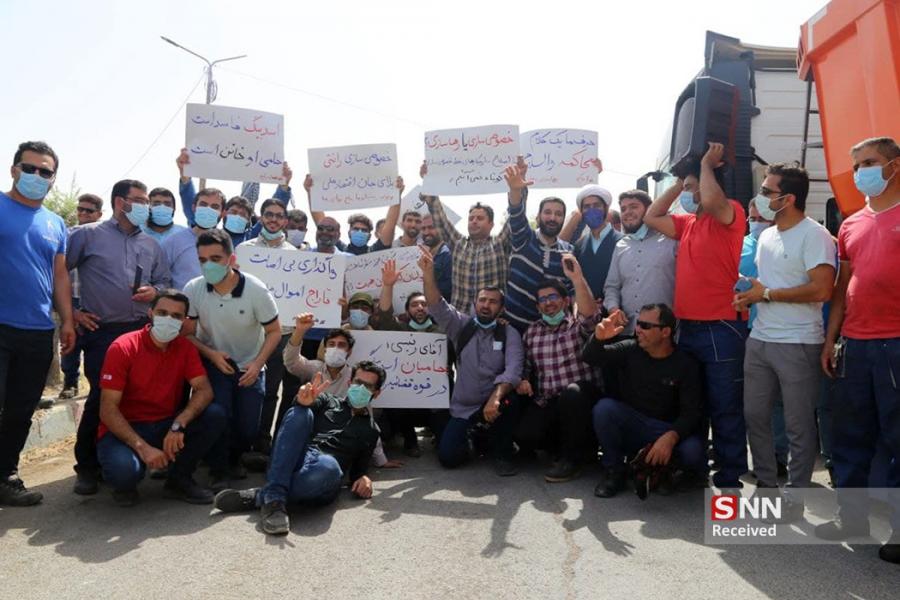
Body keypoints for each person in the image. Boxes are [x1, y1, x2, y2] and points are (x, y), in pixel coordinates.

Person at [733, 163, 836, 522]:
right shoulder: (766, 236)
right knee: (755, 416)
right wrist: (749, 294)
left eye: (767, 191)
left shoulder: (815, 236)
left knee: (797, 425)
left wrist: (766, 294)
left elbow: (822, 289)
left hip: (799, 343)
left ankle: (795, 496)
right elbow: (767, 285)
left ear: (788, 198)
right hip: (760, 340)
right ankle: (766, 486)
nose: (760, 196)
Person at [643, 142, 748, 490]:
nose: (688, 194)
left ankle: (730, 476)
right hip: (688, 328)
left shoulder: (730, 213)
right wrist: (678, 181)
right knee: (693, 402)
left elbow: (715, 202)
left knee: (725, 405)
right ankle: (696, 468)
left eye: (692, 187)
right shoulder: (687, 223)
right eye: (686, 188)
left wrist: (704, 166)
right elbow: (651, 216)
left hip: (721, 328)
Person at [816, 136, 900, 564]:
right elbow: (841, 289)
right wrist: (831, 339)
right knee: (850, 436)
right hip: (855, 344)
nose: (861, 172)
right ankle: (852, 519)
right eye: (856, 165)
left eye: (870, 162)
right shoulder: (850, 224)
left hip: (895, 345)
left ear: (895, 166)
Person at [67, 178, 171, 496]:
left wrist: (155, 292)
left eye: (147, 201)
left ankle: (124, 456)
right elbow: (56, 274)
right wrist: (73, 313)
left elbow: (165, 283)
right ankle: (87, 467)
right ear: (118, 202)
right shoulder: (86, 235)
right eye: (139, 200)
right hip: (102, 333)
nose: (145, 207)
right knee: (102, 397)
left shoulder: (151, 244)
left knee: (134, 397)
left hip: (141, 332)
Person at [213, 363, 385, 536]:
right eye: (358, 382)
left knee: (329, 466)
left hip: (322, 475)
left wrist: (364, 478)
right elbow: (296, 418)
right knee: (300, 412)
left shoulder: (371, 430)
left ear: (376, 393)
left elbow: (358, 472)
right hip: (297, 456)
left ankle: (264, 494)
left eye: (368, 386)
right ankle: (274, 499)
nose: (361, 388)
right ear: (349, 383)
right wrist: (302, 401)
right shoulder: (328, 401)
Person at [96, 290, 226, 506]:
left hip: (165, 424)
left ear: (184, 321)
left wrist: (179, 423)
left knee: (215, 414)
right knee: (124, 473)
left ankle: (178, 480)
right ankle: (124, 481)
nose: (168, 319)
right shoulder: (123, 347)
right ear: (150, 313)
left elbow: (204, 390)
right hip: (126, 428)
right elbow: (107, 409)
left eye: (176, 316)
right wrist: (143, 447)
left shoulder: (185, 348)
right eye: (162, 313)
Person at [0, 141, 74, 506]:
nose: (37, 175)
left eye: (45, 171)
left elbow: (60, 276)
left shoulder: (55, 223)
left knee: (20, 410)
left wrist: (68, 321)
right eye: (30, 168)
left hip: (37, 331)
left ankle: (6, 476)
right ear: (14, 170)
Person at [181, 230, 281, 489]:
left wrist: (257, 364)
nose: (208, 265)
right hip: (214, 364)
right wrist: (211, 354)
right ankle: (219, 469)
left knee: (248, 427)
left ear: (231, 259)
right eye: (202, 260)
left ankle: (235, 459)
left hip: (250, 366)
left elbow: (274, 331)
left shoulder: (256, 290)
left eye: (215, 258)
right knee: (219, 416)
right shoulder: (193, 289)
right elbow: (187, 335)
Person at [419, 246, 524, 476]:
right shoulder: (462, 326)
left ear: (501, 308)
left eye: (493, 302)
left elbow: (514, 370)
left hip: (494, 404)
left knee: (512, 401)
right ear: (475, 303)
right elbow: (437, 306)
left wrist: (496, 397)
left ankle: (503, 453)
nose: (486, 305)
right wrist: (428, 274)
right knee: (448, 458)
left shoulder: (509, 333)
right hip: (464, 408)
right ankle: (474, 440)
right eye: (482, 300)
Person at [587, 306, 706, 498]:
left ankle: (661, 470)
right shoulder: (630, 348)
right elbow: (590, 357)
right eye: (638, 324)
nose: (638, 330)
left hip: (666, 429)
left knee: (693, 451)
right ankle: (615, 471)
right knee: (605, 409)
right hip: (634, 425)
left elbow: (691, 412)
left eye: (645, 325)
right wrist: (598, 338)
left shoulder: (685, 364)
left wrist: (670, 437)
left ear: (665, 332)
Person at [515, 254, 602, 482]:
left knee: (572, 395)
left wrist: (577, 279)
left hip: (581, 399)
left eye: (553, 297)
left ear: (565, 301)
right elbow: (524, 367)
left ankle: (572, 460)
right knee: (526, 436)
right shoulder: (532, 332)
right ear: (538, 306)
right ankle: (570, 447)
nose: (548, 302)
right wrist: (523, 380)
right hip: (550, 400)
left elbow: (591, 316)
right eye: (542, 300)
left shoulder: (577, 325)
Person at [237, 199, 300, 461]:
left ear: (285, 220)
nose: (273, 219)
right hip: (250, 331)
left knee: (271, 390)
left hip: (282, 332)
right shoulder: (244, 250)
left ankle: (263, 439)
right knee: (246, 387)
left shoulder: (296, 254)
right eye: (269, 214)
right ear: (261, 217)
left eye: (278, 215)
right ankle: (241, 441)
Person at [374, 259, 448, 457]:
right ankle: (410, 440)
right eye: (415, 305)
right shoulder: (400, 329)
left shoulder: (442, 332)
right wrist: (388, 285)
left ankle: (439, 435)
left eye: (424, 304)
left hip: (436, 399)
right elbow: (385, 315)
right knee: (396, 401)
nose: (420, 308)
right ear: (407, 311)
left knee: (446, 445)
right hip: (407, 400)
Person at [420, 161, 512, 314]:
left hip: (493, 320)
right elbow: (440, 218)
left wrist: (516, 188)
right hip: (460, 320)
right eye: (471, 218)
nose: (474, 221)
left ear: (491, 224)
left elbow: (515, 216)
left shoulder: (500, 243)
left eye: (480, 218)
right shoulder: (458, 244)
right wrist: (429, 181)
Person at [503, 158, 574, 333]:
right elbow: (516, 212)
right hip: (511, 328)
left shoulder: (568, 252)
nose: (552, 218)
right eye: (547, 212)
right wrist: (515, 190)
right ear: (538, 216)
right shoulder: (524, 238)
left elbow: (570, 291)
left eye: (558, 214)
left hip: (546, 335)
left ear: (563, 219)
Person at [176, 148, 293, 242]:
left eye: (243, 215)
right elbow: (192, 209)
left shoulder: (251, 238)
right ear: (224, 213)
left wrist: (283, 186)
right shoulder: (209, 236)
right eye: (233, 212)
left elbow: (274, 211)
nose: (237, 217)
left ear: (249, 220)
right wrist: (185, 177)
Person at [603, 190, 678, 335]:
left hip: (661, 336)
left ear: (649, 209)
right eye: (623, 209)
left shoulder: (671, 240)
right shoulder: (620, 246)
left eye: (634, 207)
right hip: (628, 331)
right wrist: (613, 309)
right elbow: (612, 286)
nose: (627, 212)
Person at [59, 193, 104, 400]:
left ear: (99, 214)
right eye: (80, 209)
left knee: (97, 344)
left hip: (97, 299)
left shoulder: (103, 238)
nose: (83, 213)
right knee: (71, 342)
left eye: (89, 210)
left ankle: (98, 387)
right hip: (72, 298)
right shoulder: (66, 235)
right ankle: (70, 383)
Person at [302, 173, 403, 254]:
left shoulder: (375, 251)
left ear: (369, 236)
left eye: (364, 230)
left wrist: (397, 194)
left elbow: (390, 224)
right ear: (349, 232)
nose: (359, 232)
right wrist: (311, 192)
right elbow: (322, 223)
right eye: (356, 229)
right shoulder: (340, 250)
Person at [562, 178, 624, 300]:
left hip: (615, 309)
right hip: (586, 309)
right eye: (586, 207)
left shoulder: (623, 242)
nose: (592, 210)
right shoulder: (579, 246)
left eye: (596, 205)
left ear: (606, 208)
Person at [162, 186, 226, 290]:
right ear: (194, 207)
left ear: (222, 213)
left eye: (214, 206)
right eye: (203, 204)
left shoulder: (227, 246)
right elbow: (160, 278)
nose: (208, 209)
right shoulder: (174, 241)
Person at [420, 214, 452, 301]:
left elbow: (447, 290)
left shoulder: (448, 255)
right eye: (423, 228)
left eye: (431, 227)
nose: (426, 232)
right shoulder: (421, 254)